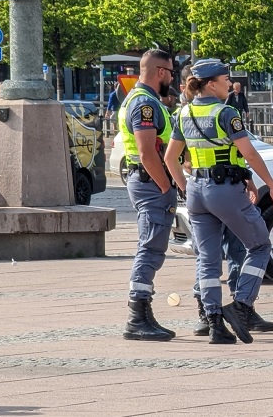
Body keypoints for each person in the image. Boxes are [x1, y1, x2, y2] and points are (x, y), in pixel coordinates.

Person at [164, 59, 273, 345]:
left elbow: (171, 158)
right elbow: (250, 154)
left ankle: (215, 323)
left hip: (196, 191)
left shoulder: (184, 112)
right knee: (260, 245)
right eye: (225, 79)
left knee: (207, 260)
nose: (229, 84)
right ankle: (241, 306)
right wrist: (271, 185)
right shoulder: (226, 113)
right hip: (225, 192)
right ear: (211, 83)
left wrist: (186, 187)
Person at [119, 49, 178, 341]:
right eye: (170, 73)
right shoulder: (144, 103)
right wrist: (166, 186)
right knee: (150, 247)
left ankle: (142, 313)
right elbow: (146, 152)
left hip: (147, 183)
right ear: (160, 72)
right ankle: (137, 317)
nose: (172, 79)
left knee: (151, 245)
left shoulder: (142, 100)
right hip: (152, 185)